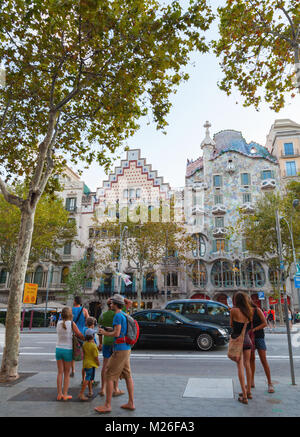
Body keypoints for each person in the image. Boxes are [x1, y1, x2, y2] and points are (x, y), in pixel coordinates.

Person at [94, 294, 135, 414]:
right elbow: (120, 331)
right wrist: (109, 329)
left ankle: (107, 405)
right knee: (127, 375)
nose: (110, 304)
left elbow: (117, 334)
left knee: (109, 374)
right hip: (127, 347)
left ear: (116, 304)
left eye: (112, 303)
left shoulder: (117, 315)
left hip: (120, 349)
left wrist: (104, 333)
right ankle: (131, 403)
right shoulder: (123, 314)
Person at [230, 291, 254, 405]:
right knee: (247, 365)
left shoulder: (233, 311)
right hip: (248, 340)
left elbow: (231, 325)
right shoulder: (249, 311)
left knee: (240, 367)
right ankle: (249, 392)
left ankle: (244, 396)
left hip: (238, 341)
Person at [56, 307, 84, 401]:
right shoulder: (72, 324)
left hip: (58, 349)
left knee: (60, 372)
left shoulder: (58, 323)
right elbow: (79, 334)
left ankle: (59, 394)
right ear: (70, 315)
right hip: (68, 350)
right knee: (67, 373)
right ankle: (65, 394)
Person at [98, 299, 125, 398]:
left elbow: (100, 331)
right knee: (115, 367)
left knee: (105, 366)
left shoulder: (103, 315)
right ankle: (115, 388)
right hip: (116, 343)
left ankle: (102, 389)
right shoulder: (118, 314)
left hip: (106, 342)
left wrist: (100, 343)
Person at [249, 301, 275, 394]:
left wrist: (254, 329)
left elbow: (264, 323)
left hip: (259, 336)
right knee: (251, 359)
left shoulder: (257, 310)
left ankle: (270, 383)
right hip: (250, 338)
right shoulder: (245, 311)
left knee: (263, 359)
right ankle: (251, 381)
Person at [78, 328, 100, 401]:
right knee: (88, 379)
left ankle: (90, 391)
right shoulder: (93, 346)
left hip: (86, 363)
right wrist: (98, 363)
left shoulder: (85, 344)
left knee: (90, 378)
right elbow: (96, 356)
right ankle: (81, 393)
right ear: (93, 336)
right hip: (91, 364)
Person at [71, 295, 89, 377]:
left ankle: (73, 370)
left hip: (73, 334)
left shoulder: (70, 310)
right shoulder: (84, 310)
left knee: (73, 352)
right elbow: (88, 322)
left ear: (75, 301)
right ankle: (84, 374)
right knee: (85, 353)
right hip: (83, 334)